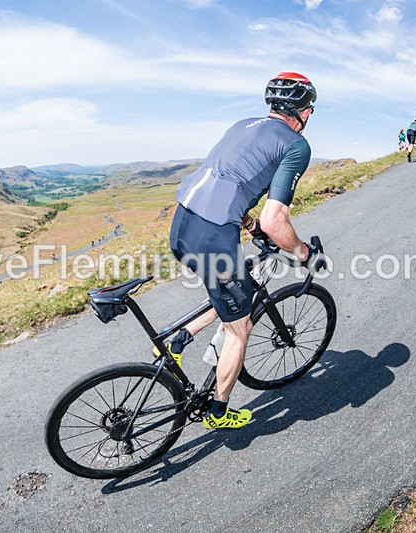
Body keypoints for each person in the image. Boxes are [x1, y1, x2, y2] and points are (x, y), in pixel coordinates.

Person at [165, 71, 323, 430]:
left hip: (182, 225)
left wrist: (249, 226)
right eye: (311, 108)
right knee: (240, 328)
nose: (310, 116)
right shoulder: (296, 145)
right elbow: (276, 221)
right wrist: (304, 254)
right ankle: (218, 412)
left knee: (236, 291)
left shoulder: (243, 124)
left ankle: (180, 338)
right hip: (213, 236)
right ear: (302, 111)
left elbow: (229, 183)